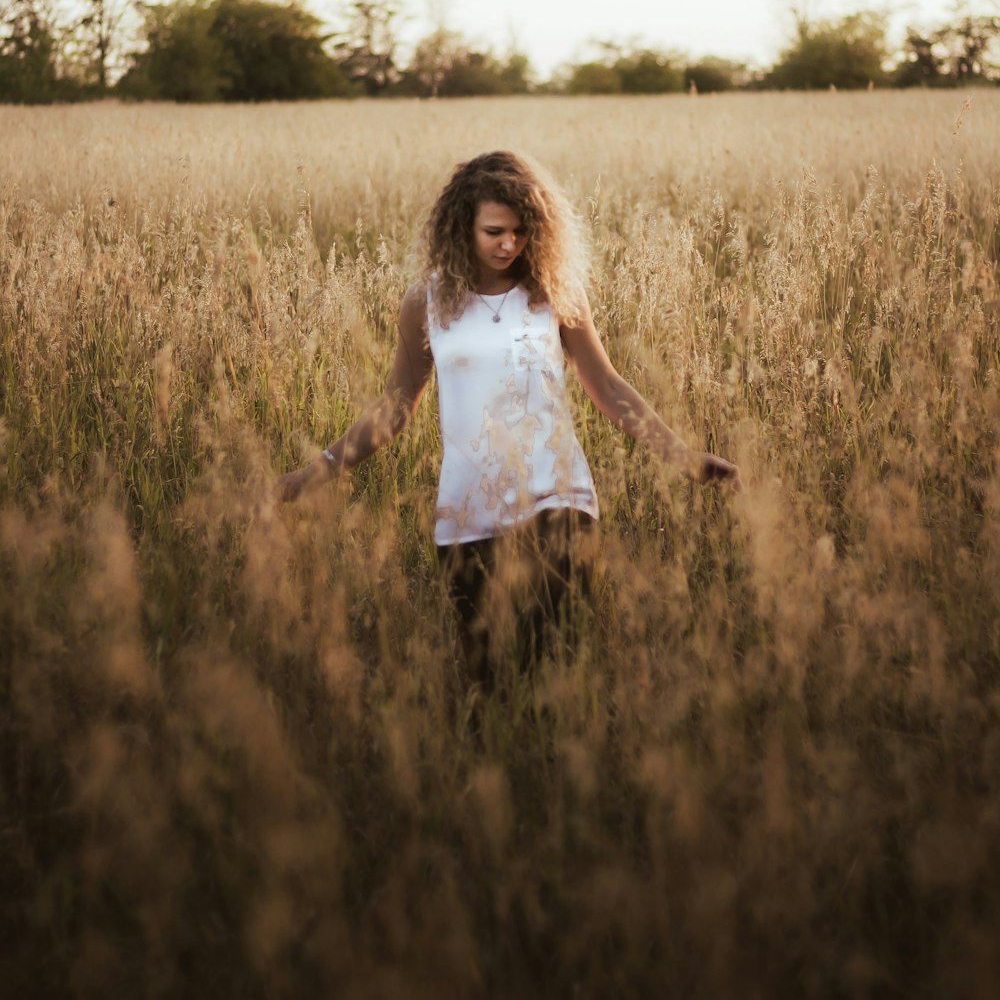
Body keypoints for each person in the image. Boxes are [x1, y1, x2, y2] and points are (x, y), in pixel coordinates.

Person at [277, 150, 740, 690]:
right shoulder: (425, 304)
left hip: (558, 497)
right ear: (461, 226)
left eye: (522, 232)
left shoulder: (553, 296)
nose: (509, 244)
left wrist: (683, 456)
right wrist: (316, 471)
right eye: (494, 231)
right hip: (468, 511)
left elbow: (608, 387)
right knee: (491, 683)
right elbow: (395, 407)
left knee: (556, 670)